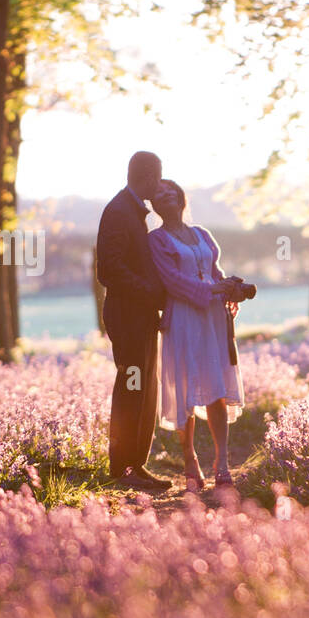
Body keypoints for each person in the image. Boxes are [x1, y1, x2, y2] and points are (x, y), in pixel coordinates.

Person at [148, 179, 245, 495]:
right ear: (155, 205)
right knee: (187, 384)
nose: (166, 196)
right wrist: (211, 289)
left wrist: (229, 286)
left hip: (213, 316)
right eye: (159, 194)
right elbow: (171, 281)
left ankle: (222, 462)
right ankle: (189, 459)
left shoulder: (202, 233)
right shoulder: (157, 240)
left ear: (180, 198)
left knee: (217, 383)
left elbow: (213, 270)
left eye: (170, 191)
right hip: (185, 317)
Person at [94, 151, 171, 491]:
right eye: (158, 177)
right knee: (133, 385)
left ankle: (133, 464)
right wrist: (150, 292)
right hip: (128, 315)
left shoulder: (133, 210)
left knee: (143, 387)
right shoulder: (119, 211)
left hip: (139, 313)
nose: (161, 184)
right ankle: (125, 467)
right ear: (149, 176)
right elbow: (109, 269)